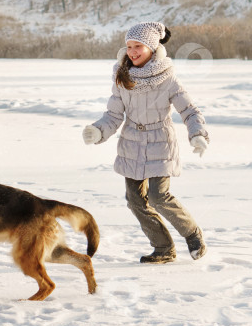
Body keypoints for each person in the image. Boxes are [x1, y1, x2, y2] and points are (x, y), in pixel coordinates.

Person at [82, 21, 209, 264]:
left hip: (160, 143)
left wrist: (198, 135)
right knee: (135, 200)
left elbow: (190, 111)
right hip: (132, 144)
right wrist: (98, 131)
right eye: (129, 46)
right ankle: (163, 248)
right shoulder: (122, 77)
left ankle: (192, 233)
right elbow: (113, 115)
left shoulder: (168, 79)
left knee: (159, 197)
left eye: (137, 46)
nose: (132, 51)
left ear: (152, 47)